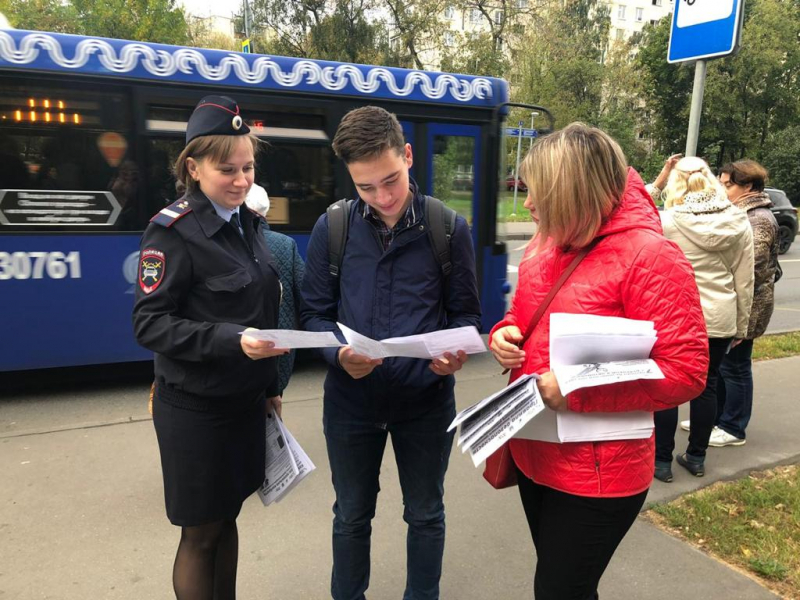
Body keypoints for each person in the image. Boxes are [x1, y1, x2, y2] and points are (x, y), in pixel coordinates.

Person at [489, 123, 708, 600]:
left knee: (560, 589)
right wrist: (503, 333)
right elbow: (524, 314)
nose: (527, 204)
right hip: (535, 449)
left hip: (599, 472)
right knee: (560, 586)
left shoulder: (652, 257)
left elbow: (686, 372)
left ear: (573, 191)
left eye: (537, 192)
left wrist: (576, 387)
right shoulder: (548, 241)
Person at [300, 106, 481, 600]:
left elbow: (466, 316)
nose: (382, 198)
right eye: (365, 187)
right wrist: (339, 355)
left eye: (391, 181)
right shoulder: (332, 228)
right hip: (351, 403)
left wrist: (453, 355)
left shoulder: (447, 227)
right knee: (352, 515)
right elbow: (313, 316)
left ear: (407, 156)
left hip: (424, 402)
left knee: (425, 514)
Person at [132, 95, 287, 600]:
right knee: (199, 534)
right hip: (195, 412)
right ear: (194, 168)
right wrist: (230, 340)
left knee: (228, 518)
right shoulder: (171, 232)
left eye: (248, 167)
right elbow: (150, 324)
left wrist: (269, 389)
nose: (242, 181)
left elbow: (262, 311)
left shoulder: (248, 224)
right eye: (228, 170)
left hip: (243, 405)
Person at [650, 156, 754, 482]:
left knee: (667, 388)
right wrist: (742, 324)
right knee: (706, 387)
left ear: (677, 185)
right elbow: (744, 280)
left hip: (675, 316)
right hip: (720, 318)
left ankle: (662, 462)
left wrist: (659, 179)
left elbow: (632, 205)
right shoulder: (738, 222)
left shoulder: (665, 223)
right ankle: (696, 458)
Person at [710, 159, 780, 447]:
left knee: (735, 367)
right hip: (738, 302)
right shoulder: (742, 213)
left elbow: (751, 266)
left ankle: (733, 427)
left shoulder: (758, 218)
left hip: (749, 307)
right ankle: (717, 419)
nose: (723, 190)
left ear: (748, 186)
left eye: (729, 185)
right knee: (724, 365)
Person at [246, 182, 306, 394]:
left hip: (241, 352)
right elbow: (305, 293)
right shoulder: (285, 244)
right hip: (278, 351)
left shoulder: (231, 241)